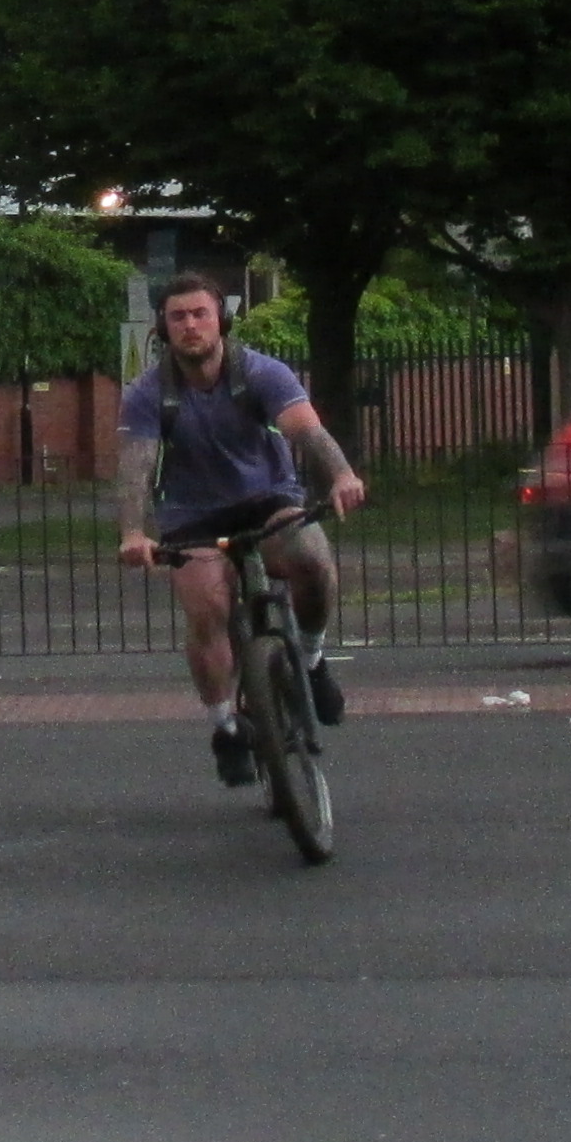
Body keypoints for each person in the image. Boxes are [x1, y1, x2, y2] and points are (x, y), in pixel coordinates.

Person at [113, 269, 367, 785]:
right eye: (178, 316)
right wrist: (134, 532)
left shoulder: (261, 373)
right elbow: (134, 469)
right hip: (191, 515)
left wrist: (340, 474)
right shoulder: (147, 393)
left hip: (267, 498)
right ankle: (225, 727)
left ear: (221, 320)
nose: (190, 325)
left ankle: (313, 661)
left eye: (200, 314)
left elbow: (307, 431)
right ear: (163, 327)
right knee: (206, 607)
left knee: (313, 558)